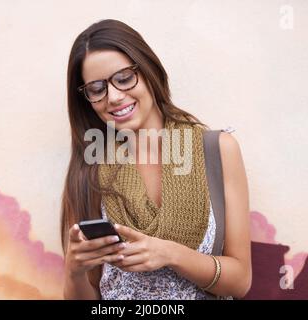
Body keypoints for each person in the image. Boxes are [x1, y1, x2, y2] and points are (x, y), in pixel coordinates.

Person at [61, 19, 251, 300]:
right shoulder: (90, 169)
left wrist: (171, 254)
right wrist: (74, 270)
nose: (113, 97)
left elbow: (239, 282)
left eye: (124, 78)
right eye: (97, 89)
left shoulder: (218, 150)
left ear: (149, 70)